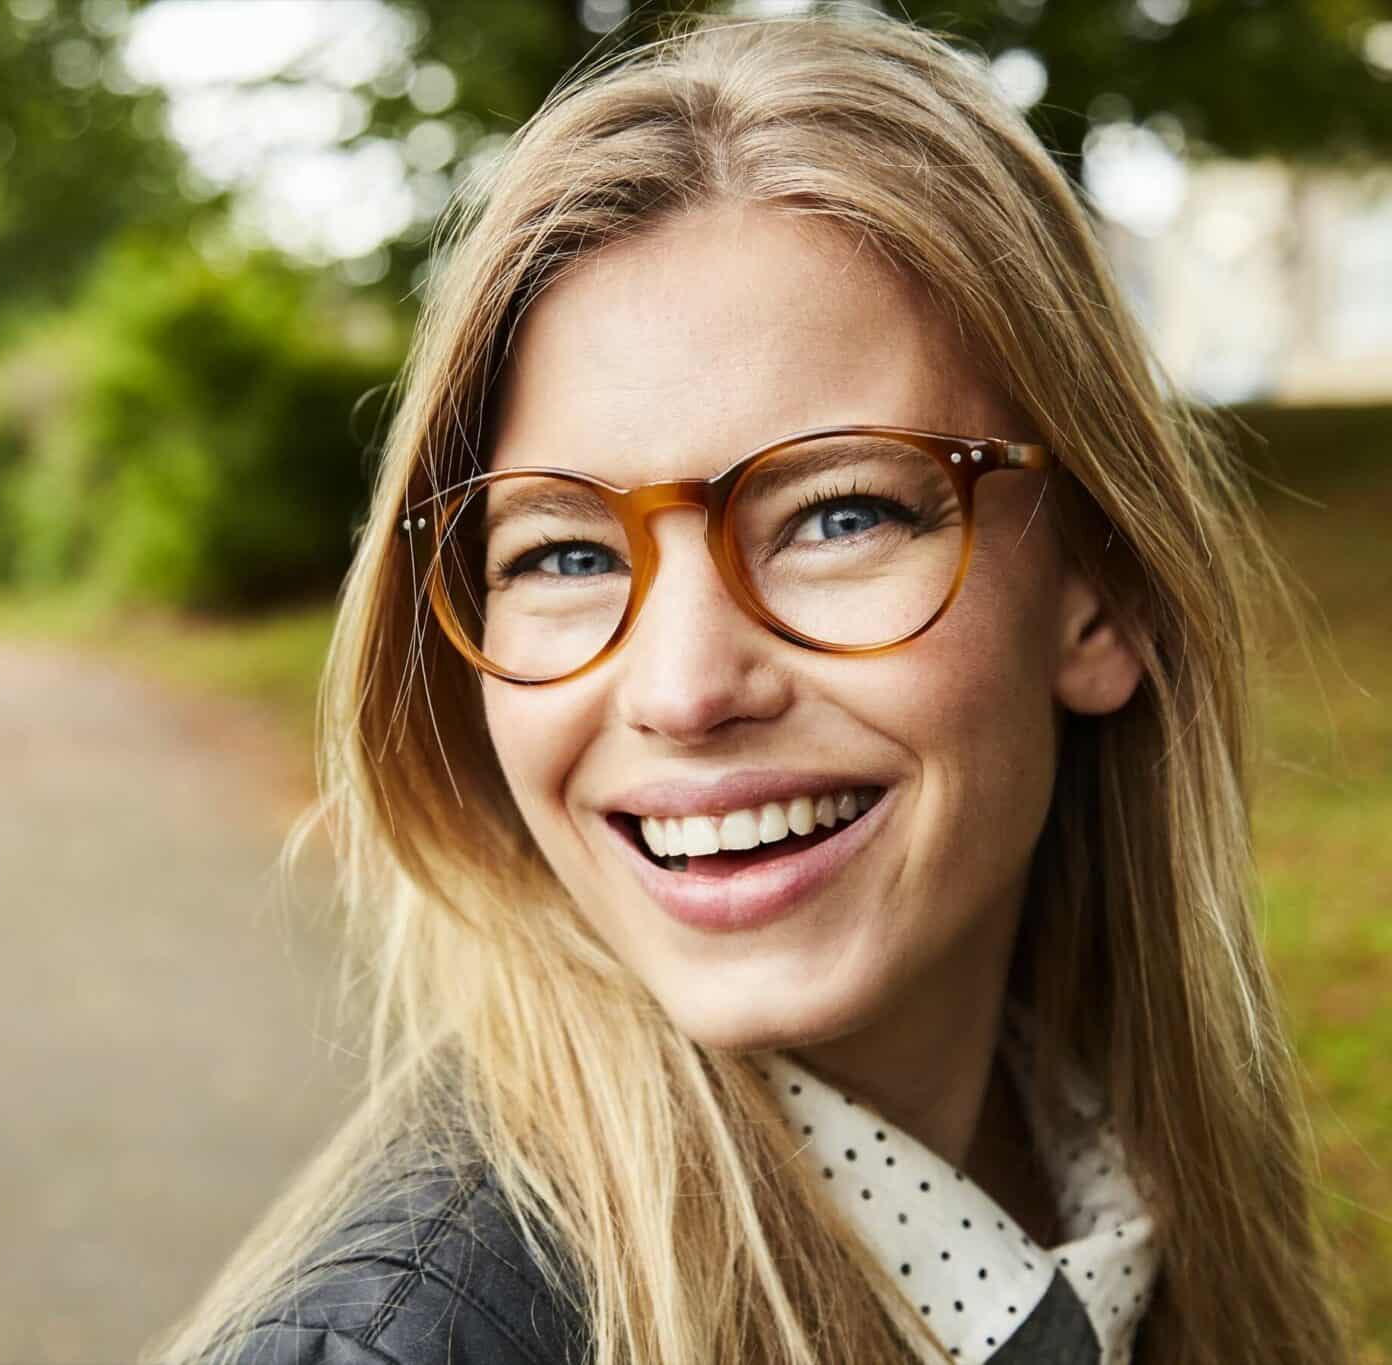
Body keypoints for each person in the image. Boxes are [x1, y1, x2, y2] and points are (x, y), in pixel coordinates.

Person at [152, 10, 1352, 1364]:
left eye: (837, 517)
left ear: (1104, 592)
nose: (683, 686)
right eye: (561, 549)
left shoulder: (1113, 1169)